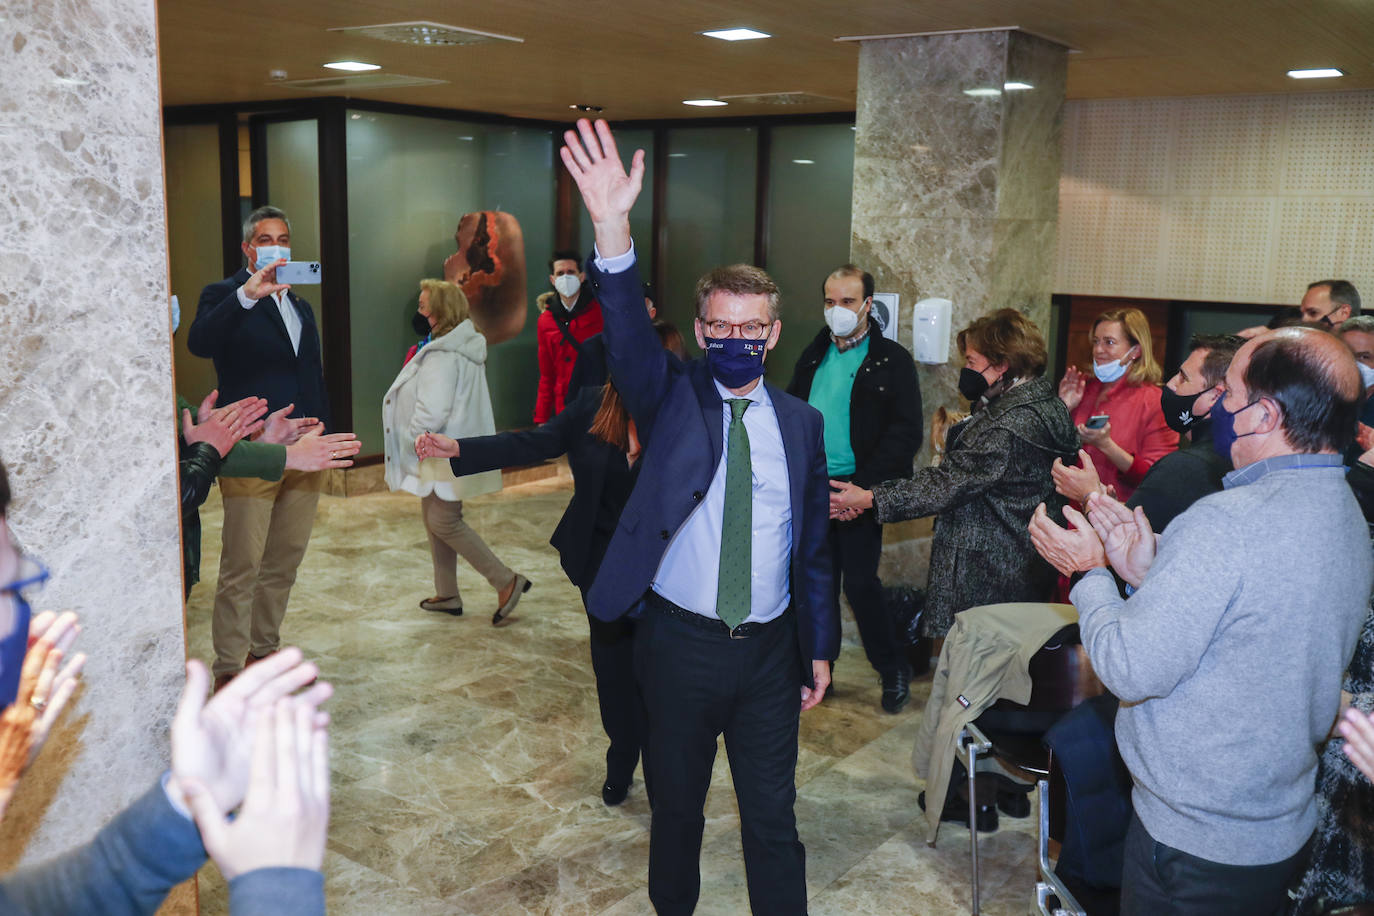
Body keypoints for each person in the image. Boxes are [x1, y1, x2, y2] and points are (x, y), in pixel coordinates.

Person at [561, 118, 839, 915]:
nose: (737, 339)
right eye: (721, 325)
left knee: (773, 822)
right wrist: (611, 227)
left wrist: (818, 647)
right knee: (677, 815)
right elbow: (626, 344)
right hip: (679, 646)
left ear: (775, 334)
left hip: (768, 656)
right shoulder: (673, 397)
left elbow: (812, 549)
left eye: (753, 328)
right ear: (702, 328)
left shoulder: (800, 425)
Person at [1030, 327, 1371, 916]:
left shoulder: (1226, 521)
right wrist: (1150, 567)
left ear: (1263, 415)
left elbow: (1131, 669)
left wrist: (1089, 574)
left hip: (1194, 843)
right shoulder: (1343, 506)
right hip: (1278, 824)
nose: (1214, 408)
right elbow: (1254, 618)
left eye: (1228, 394)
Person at [417, 319, 685, 806]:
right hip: (601, 565)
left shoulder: (684, 419)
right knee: (612, 671)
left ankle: (665, 765)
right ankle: (622, 756)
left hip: (666, 571)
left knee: (662, 676)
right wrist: (459, 449)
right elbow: (534, 442)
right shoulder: (592, 405)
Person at [828, 308, 1079, 641]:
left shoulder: (1008, 425)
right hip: (1018, 565)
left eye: (973, 362)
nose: (966, 370)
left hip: (989, 573)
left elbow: (947, 483)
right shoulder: (1045, 404)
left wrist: (870, 497)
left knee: (973, 680)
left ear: (1002, 365)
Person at [187, 205, 332, 691]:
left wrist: (322, 431)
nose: (277, 246)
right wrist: (246, 297)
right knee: (242, 563)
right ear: (248, 248)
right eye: (266, 238)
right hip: (252, 447)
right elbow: (200, 341)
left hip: (305, 446)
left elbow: (310, 372)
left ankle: (262, 654)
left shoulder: (301, 305)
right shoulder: (224, 295)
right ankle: (228, 668)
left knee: (283, 561)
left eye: (284, 238)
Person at [786, 265, 923, 713]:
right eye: (829, 301)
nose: (837, 310)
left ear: (868, 304)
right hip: (813, 488)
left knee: (861, 584)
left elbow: (904, 435)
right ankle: (816, 669)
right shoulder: (813, 353)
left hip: (861, 491)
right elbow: (791, 414)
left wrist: (861, 492)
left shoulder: (892, 360)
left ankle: (893, 668)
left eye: (847, 301)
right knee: (811, 582)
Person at [383, 279, 529, 624]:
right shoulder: (460, 346)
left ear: (440, 311)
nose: (418, 312)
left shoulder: (444, 355)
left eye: (423, 306)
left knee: (444, 520)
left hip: (439, 447)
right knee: (434, 518)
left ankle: (506, 580)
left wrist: (412, 438)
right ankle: (447, 593)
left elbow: (433, 411)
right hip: (451, 449)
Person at [1050, 334, 1242, 534]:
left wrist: (1089, 496)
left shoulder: (1187, 465)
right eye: (1095, 341)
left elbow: (1130, 542)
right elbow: (1159, 512)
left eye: (1183, 378)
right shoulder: (1239, 450)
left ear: (1215, 395)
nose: (1171, 385)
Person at [1057, 308, 1175, 503]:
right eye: (1096, 341)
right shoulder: (1083, 389)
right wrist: (1063, 408)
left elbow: (1158, 476)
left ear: (1135, 351)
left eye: (1109, 342)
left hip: (1120, 513)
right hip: (1070, 509)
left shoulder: (1154, 400)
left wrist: (1106, 445)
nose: (1098, 350)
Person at [533, 249, 604, 424]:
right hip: (564, 406)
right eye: (560, 273)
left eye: (571, 272)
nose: (565, 277)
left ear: (581, 277)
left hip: (597, 404)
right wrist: (542, 418)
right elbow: (546, 375)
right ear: (553, 279)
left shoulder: (600, 312)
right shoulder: (546, 320)